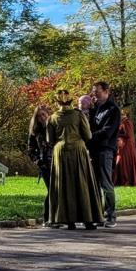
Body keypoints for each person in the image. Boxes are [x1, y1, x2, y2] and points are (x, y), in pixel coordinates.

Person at [46, 89, 101, 231]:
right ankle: (88, 220)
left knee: (64, 184)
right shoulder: (78, 115)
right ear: (71, 100)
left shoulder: (52, 118)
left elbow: (49, 140)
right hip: (77, 150)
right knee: (82, 183)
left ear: (57, 102)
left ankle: (68, 220)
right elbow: (88, 135)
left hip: (60, 152)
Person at [88, 81, 120, 228]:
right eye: (93, 91)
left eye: (97, 91)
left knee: (106, 183)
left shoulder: (113, 110)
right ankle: (97, 215)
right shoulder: (94, 108)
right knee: (94, 184)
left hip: (105, 150)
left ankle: (110, 216)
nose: (94, 94)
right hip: (92, 150)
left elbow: (107, 131)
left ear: (106, 91)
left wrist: (89, 137)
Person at [26, 103, 53, 223]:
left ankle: (57, 217)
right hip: (45, 164)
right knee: (51, 190)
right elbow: (30, 149)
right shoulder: (35, 131)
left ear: (48, 114)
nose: (41, 117)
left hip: (57, 162)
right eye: (38, 116)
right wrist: (38, 161)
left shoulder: (55, 127)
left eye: (43, 114)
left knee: (59, 190)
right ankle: (47, 218)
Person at [114, 108, 136, 188]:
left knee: (124, 162)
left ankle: (128, 180)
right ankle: (121, 180)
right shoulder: (123, 122)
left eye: (121, 115)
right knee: (121, 162)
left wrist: (117, 135)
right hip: (123, 145)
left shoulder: (127, 123)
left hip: (126, 145)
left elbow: (128, 135)